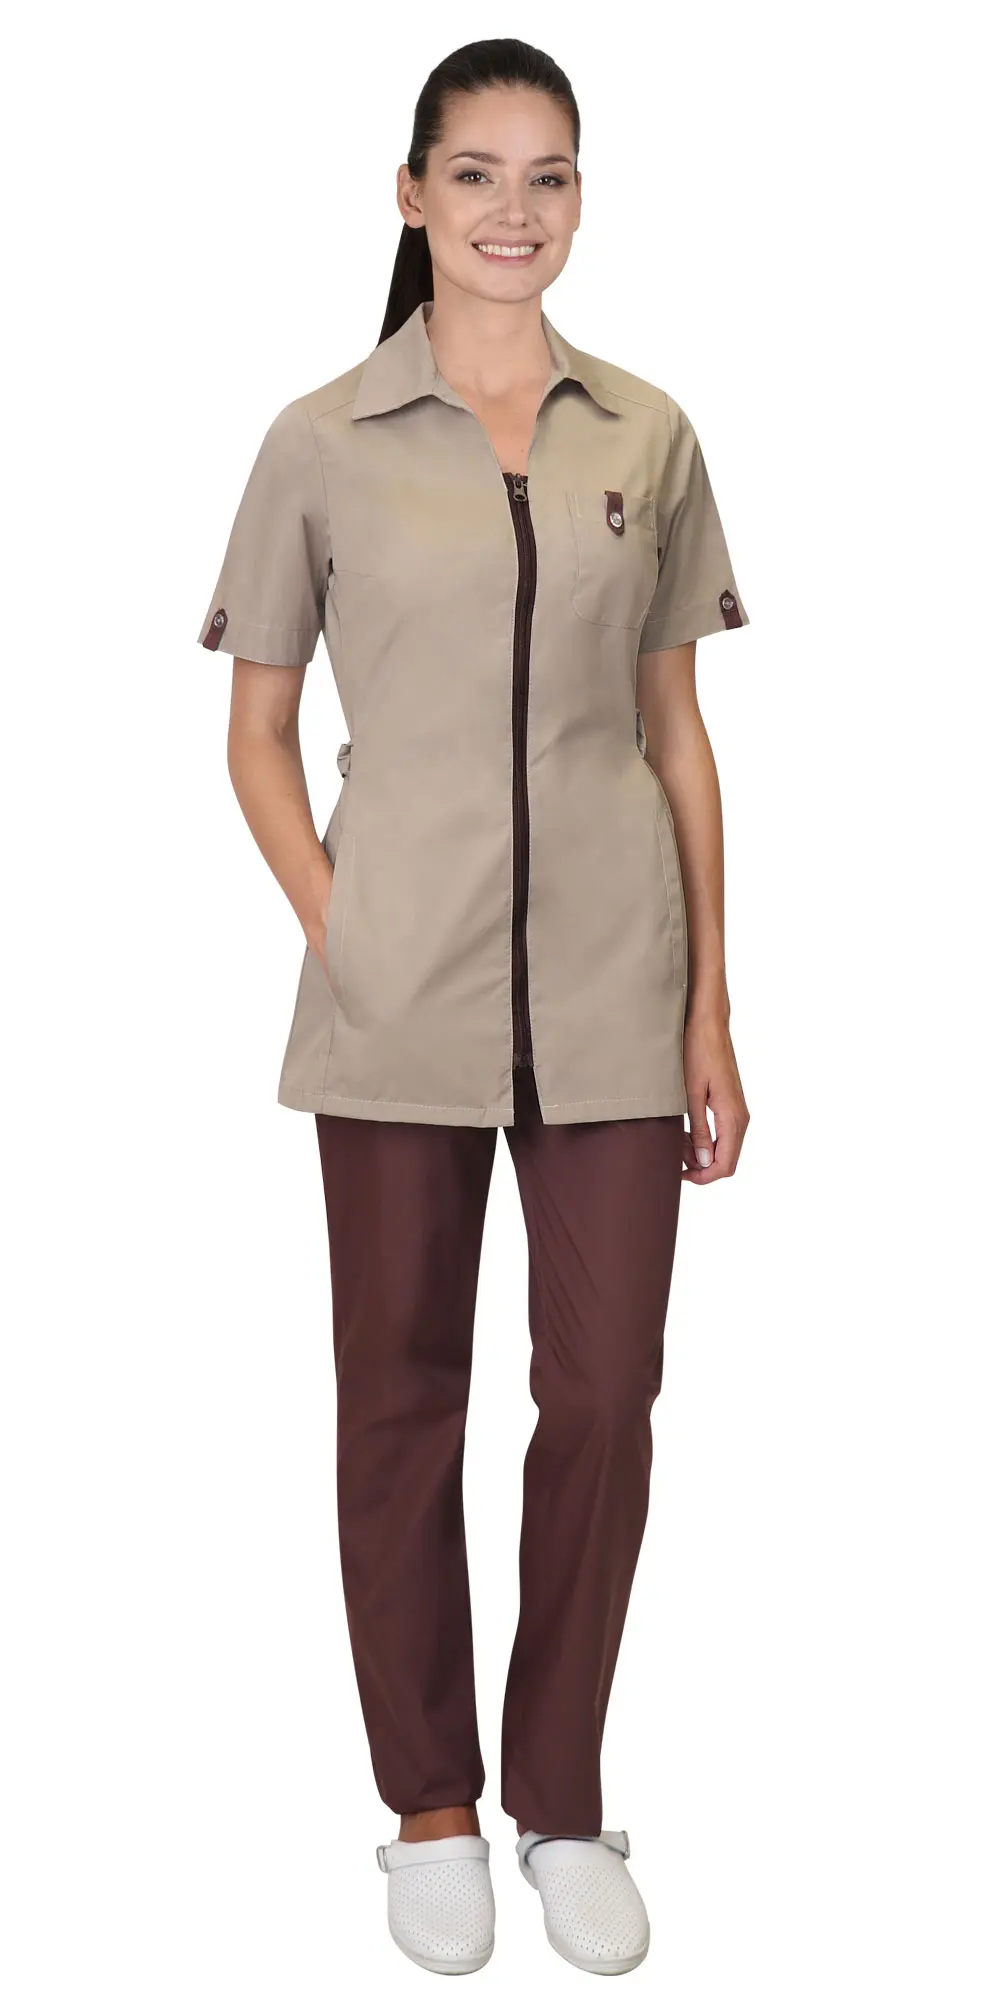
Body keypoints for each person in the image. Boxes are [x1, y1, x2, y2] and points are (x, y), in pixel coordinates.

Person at [196, 36, 750, 1980]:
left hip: (613, 987)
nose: (515, 211)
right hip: (396, 997)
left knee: (603, 1397)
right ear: (412, 192)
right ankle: (428, 1804)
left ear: (577, 199)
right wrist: (341, 924)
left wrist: (710, 1005)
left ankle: (561, 1794)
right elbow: (256, 731)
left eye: (549, 176)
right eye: (478, 173)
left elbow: (675, 732)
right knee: (397, 1400)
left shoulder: (645, 433)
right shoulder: (320, 440)